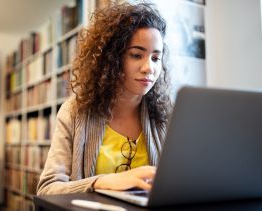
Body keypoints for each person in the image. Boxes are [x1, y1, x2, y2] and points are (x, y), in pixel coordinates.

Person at [37, 2, 172, 195]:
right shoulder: (74, 112)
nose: (149, 68)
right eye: (136, 55)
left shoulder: (166, 115)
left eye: (155, 58)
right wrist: (104, 182)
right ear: (111, 58)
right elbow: (47, 189)